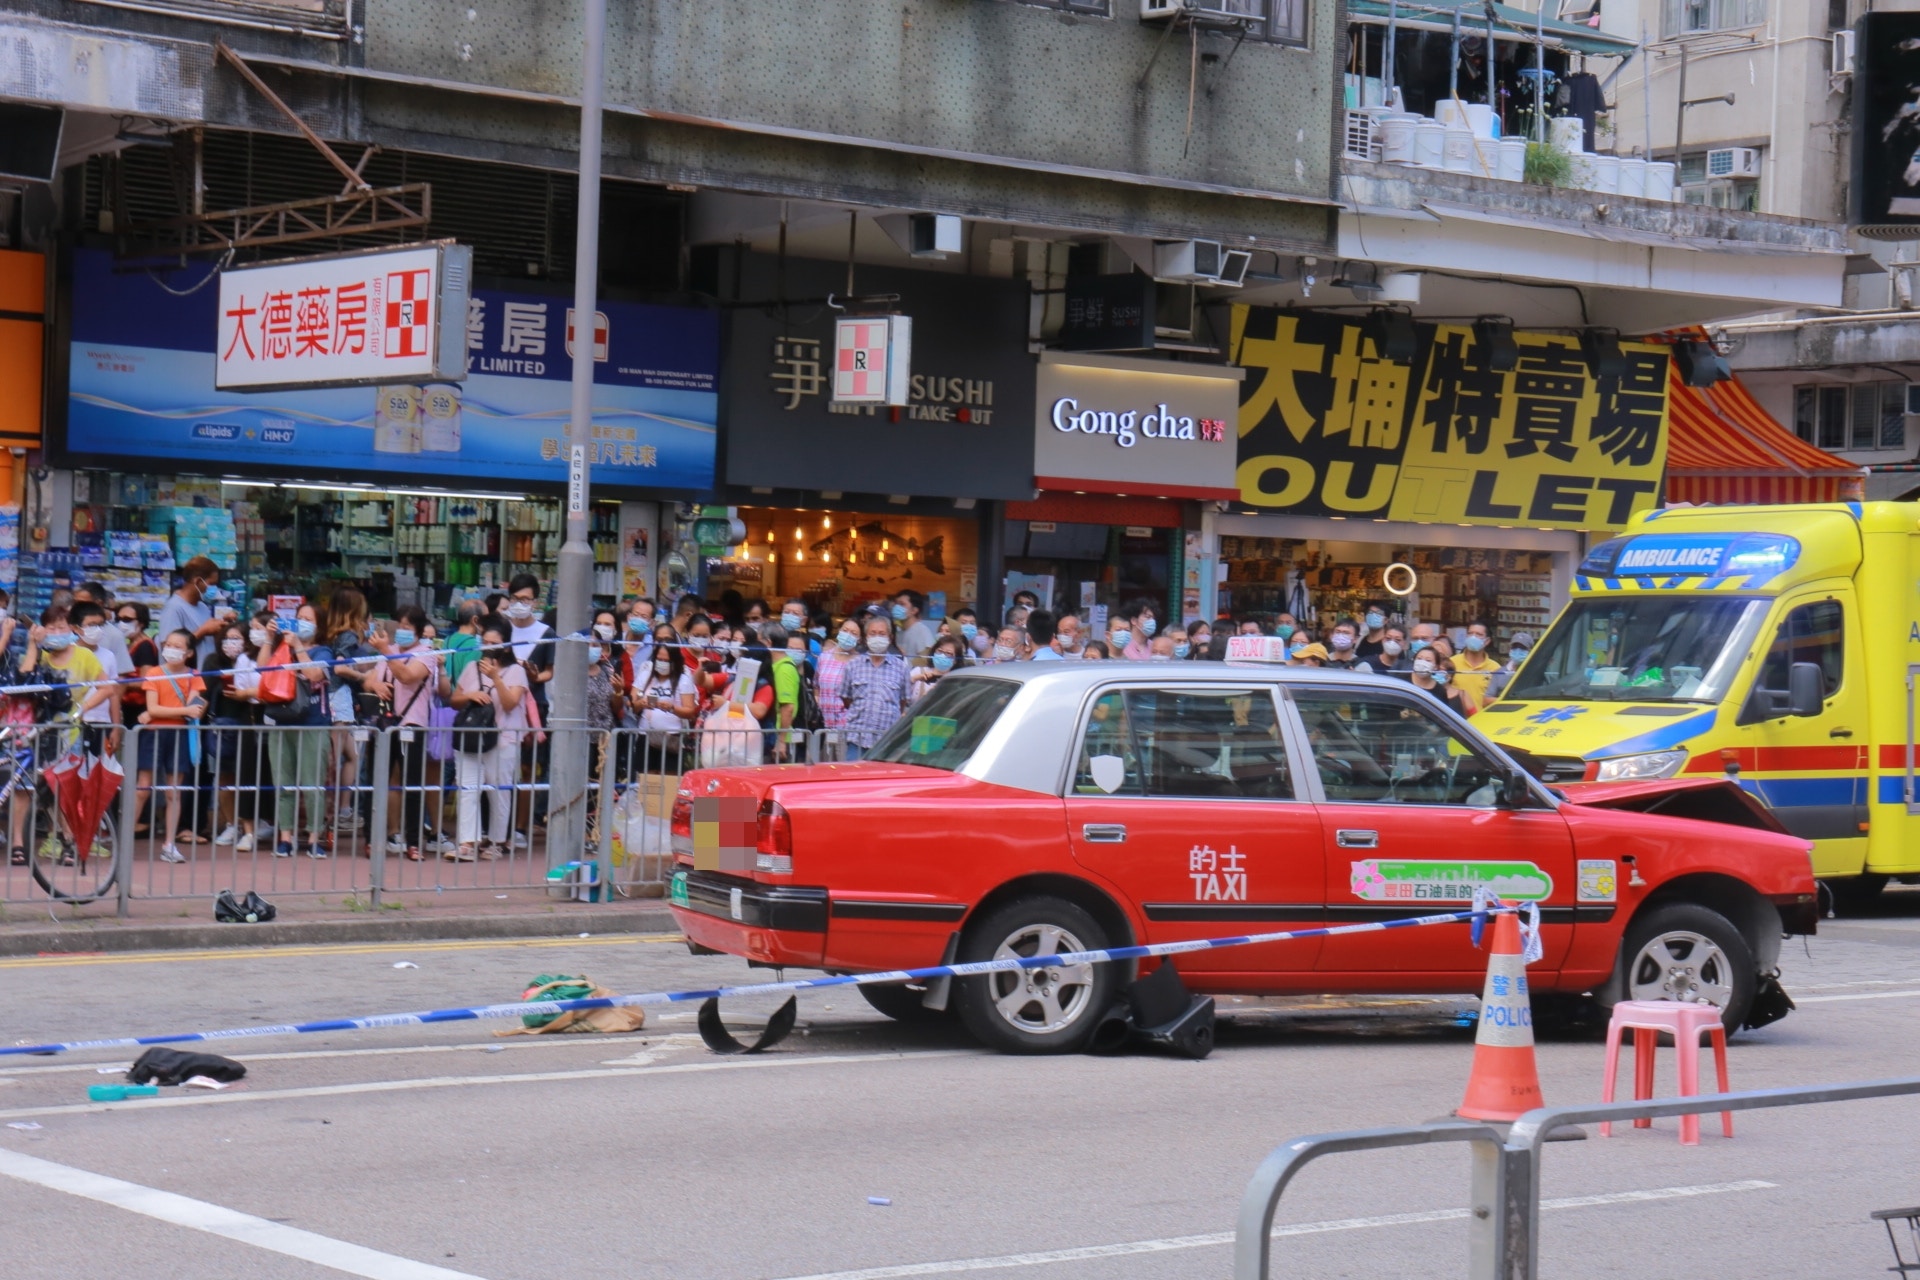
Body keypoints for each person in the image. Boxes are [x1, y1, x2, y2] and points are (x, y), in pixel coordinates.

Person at [451, 622, 530, 861]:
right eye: (485, 642)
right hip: (471, 736)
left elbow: (509, 703)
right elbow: (454, 699)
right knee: (467, 789)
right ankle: (466, 842)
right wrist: (470, 695)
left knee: (499, 791)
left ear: (506, 646)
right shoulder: (472, 667)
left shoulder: (516, 671)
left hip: (504, 738)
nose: (488, 647)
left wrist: (495, 677)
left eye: (495, 644)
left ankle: (497, 841)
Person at [373, 605, 446, 860]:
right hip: (384, 722)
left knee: (412, 782)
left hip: (412, 723)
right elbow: (372, 678)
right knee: (380, 780)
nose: (402, 631)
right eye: (400, 625)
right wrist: (377, 685)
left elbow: (406, 676)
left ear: (417, 630)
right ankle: (375, 838)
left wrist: (384, 651)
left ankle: (414, 841)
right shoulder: (389, 651)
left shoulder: (426, 654)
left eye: (407, 627)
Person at [263, 603, 331, 860]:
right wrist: (270, 640)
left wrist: (298, 647)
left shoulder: (324, 651)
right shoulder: (282, 648)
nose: (301, 622)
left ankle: (315, 837)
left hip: (313, 723)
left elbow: (314, 674)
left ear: (318, 625)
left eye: (307, 619)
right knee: (283, 783)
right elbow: (262, 671)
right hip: (282, 722)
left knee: (314, 784)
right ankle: (285, 838)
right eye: (298, 617)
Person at [138, 629, 206, 864]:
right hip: (154, 735)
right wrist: (182, 711)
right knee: (142, 787)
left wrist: (180, 711)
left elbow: (196, 708)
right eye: (169, 644)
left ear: (188, 653)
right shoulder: (154, 673)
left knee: (173, 792)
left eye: (178, 646)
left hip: (179, 736)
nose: (172, 649)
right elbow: (154, 708)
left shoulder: (194, 675)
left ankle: (169, 844)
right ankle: (124, 838)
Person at [206, 617, 266, 855]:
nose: (230, 643)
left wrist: (244, 693)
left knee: (248, 778)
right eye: (227, 638)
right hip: (221, 727)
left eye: (237, 638)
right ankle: (232, 824)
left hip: (248, 724)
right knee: (224, 779)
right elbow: (205, 692)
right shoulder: (213, 661)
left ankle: (253, 825)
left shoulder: (252, 661)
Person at [841, 615, 909, 761]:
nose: (877, 637)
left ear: (890, 638)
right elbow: (846, 698)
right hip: (856, 739)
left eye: (882, 634)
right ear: (865, 638)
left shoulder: (901, 667)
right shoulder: (853, 666)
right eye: (873, 633)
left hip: (887, 740)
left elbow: (902, 702)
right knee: (853, 779)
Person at [634, 622, 699, 775]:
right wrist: (641, 703)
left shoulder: (683, 679)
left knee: (669, 779)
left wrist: (671, 708)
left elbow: (690, 711)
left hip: (671, 738)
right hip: (646, 735)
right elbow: (634, 705)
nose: (662, 663)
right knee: (646, 780)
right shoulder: (646, 675)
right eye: (659, 660)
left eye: (666, 660)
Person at [69, 601, 123, 760]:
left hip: (101, 722)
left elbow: (113, 694)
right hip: (74, 724)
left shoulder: (108, 656)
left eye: (100, 625)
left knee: (96, 772)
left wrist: (116, 728)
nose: (97, 630)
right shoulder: (68, 653)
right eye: (91, 625)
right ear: (75, 627)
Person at [157, 556, 230, 666]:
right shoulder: (173, 608)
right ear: (198, 581)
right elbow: (169, 651)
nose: (214, 589)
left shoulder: (202, 607)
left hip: (205, 676)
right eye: (212, 584)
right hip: (185, 679)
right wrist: (202, 631)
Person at [816, 617, 858, 755]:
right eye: (845, 630)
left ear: (860, 639)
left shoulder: (860, 662)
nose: (848, 635)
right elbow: (816, 686)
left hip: (847, 727)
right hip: (824, 724)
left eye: (854, 633)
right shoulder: (824, 657)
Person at [74, 581, 132, 676]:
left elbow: (121, 676)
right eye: (75, 602)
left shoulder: (114, 635)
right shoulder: (64, 629)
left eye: (82, 603)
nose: (76, 607)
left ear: (99, 603)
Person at [1451, 622, 1503, 713]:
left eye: (1479, 634)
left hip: (1483, 722)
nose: (1473, 637)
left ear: (1487, 641)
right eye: (1470, 633)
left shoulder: (1495, 668)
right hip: (1456, 722)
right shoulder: (1452, 663)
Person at [910, 634, 964, 704]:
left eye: (948, 653)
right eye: (940, 651)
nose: (942, 656)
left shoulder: (956, 679)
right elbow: (902, 694)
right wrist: (914, 679)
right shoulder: (918, 671)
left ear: (956, 660)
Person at [1410, 649, 1468, 715]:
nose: (1422, 663)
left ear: (1435, 667)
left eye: (1428, 660)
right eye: (1419, 658)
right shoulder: (1402, 680)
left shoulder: (1440, 691)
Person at [1490, 630, 1534, 700]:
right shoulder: (1499, 673)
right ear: (1510, 649)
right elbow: (1486, 700)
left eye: (1522, 648)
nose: (1518, 650)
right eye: (1515, 647)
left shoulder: (1536, 674)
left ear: (1530, 651)